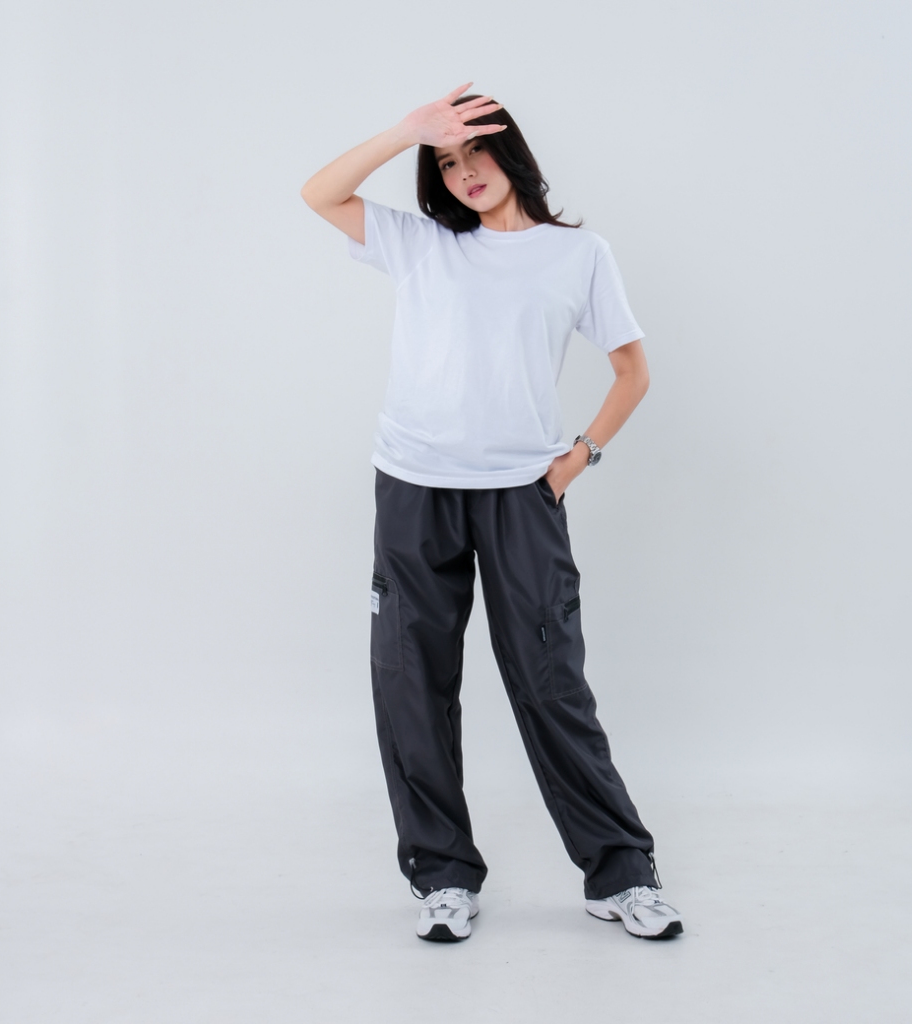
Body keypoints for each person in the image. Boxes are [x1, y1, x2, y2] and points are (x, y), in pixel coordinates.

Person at [300, 83, 683, 942]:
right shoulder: (421, 244)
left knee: (552, 683)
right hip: (414, 485)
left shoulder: (577, 255)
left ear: (510, 154)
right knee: (413, 682)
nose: (464, 173)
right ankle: (442, 877)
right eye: (445, 162)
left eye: (476, 152)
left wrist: (578, 457)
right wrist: (406, 130)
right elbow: (319, 192)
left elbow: (632, 371)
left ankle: (621, 873)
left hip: (522, 494)